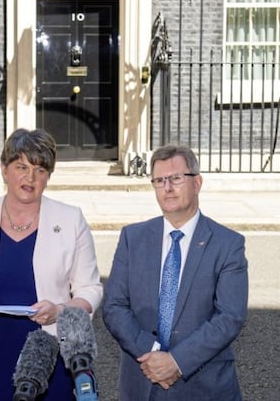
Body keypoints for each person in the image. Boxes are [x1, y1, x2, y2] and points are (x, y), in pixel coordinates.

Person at [0, 128, 103, 400]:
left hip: (49, 349)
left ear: (48, 177)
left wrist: (61, 311)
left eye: (40, 170)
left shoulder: (70, 219)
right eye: (21, 167)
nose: (30, 178)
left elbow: (90, 289)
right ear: (4, 170)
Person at [102, 144, 249, 400]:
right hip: (143, 381)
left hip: (205, 387)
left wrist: (176, 361)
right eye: (159, 180)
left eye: (176, 178)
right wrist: (154, 355)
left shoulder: (227, 244)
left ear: (198, 182)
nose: (167, 188)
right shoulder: (132, 238)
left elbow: (229, 316)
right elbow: (114, 306)